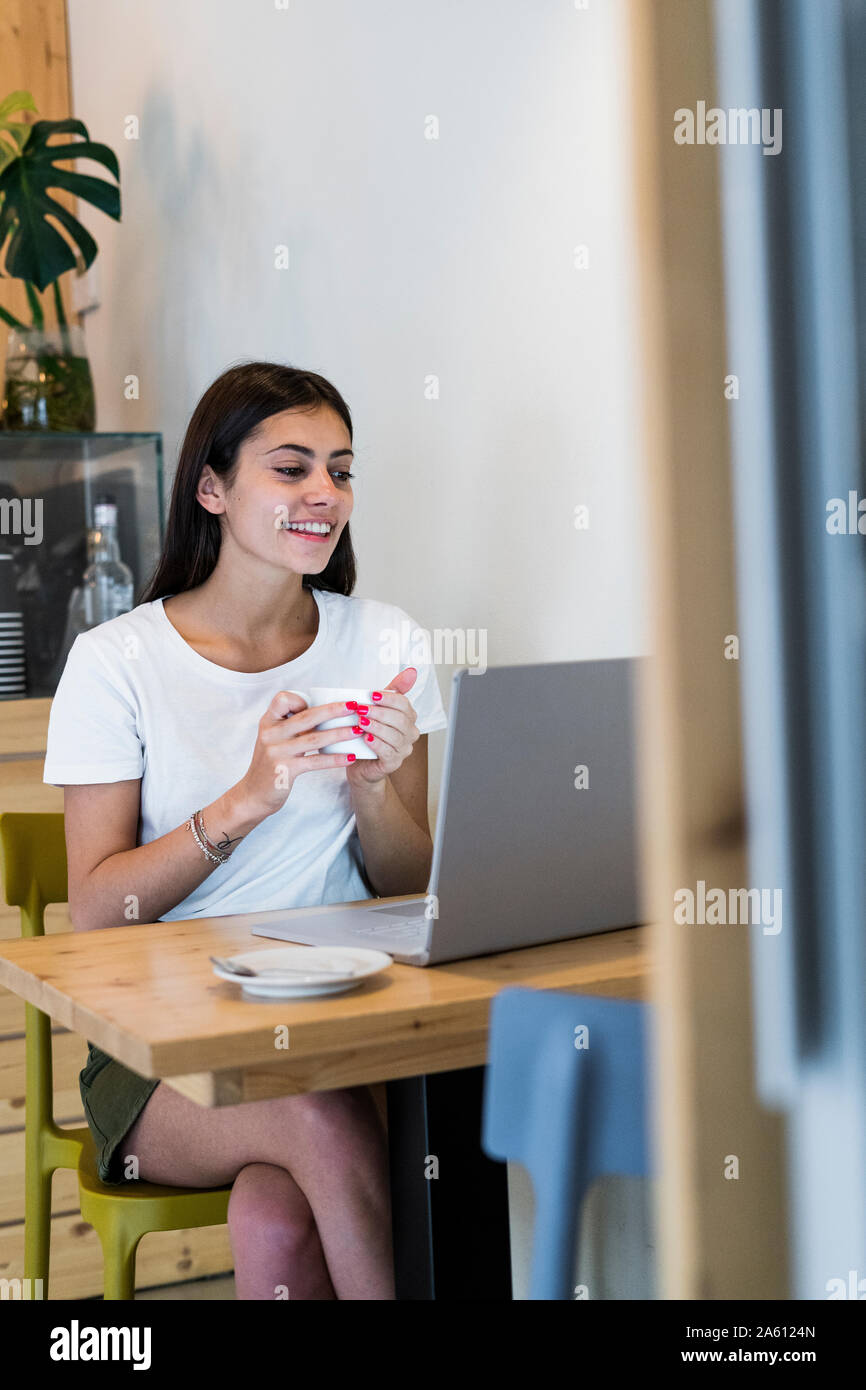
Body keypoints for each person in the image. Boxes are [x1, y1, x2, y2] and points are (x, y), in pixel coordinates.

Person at [42, 361, 448, 1300]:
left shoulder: (384, 642)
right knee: (319, 1120)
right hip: (164, 1056)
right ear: (212, 488)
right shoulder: (116, 663)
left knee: (273, 1213)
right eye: (292, 467)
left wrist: (378, 791)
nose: (324, 494)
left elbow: (410, 888)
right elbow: (98, 917)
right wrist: (244, 802)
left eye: (341, 471)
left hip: (355, 1022)